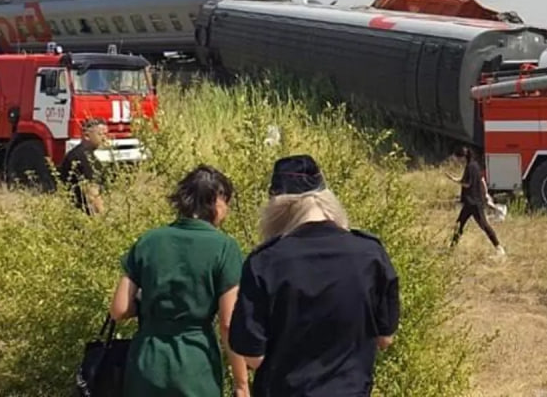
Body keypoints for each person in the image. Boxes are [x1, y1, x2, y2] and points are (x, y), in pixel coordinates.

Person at [230, 155, 400, 397]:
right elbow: (385, 339)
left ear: (277, 204)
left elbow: (253, 356)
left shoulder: (264, 263)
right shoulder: (371, 255)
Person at [109, 165, 249, 397]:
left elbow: (119, 309)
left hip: (147, 361)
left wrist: (146, 304)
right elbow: (227, 323)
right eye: (227, 203)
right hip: (196, 364)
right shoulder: (224, 248)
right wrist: (241, 383)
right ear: (217, 200)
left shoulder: (149, 241)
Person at [448, 146, 504, 255]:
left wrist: (454, 180)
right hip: (471, 202)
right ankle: (451, 248)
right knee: (459, 224)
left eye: (458, 159)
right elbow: (481, 180)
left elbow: (467, 184)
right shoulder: (475, 166)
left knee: (484, 224)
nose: (458, 161)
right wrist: (486, 194)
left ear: (463, 157)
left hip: (474, 202)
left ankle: (499, 248)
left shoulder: (469, 167)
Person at [59, 117, 107, 215]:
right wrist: (103, 220)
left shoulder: (86, 154)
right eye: (100, 134)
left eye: (105, 134)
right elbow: (92, 193)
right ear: (87, 136)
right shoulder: (82, 157)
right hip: (82, 214)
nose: (104, 138)